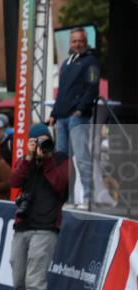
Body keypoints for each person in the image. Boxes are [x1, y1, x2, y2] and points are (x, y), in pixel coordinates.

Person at [6, 123, 69, 290]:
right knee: (18, 281)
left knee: (35, 282)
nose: (42, 144)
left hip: (46, 227)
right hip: (23, 226)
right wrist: (29, 157)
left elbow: (61, 186)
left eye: (45, 140)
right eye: (36, 141)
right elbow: (13, 182)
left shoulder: (61, 159)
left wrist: (47, 160)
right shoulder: (28, 161)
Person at [48, 28, 100, 207]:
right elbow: (61, 92)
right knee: (63, 161)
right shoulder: (66, 63)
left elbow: (93, 87)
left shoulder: (91, 61)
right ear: (70, 42)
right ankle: (67, 198)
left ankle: (88, 197)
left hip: (77, 117)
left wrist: (80, 110)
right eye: (74, 41)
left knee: (82, 157)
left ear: (86, 42)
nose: (77, 44)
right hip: (61, 118)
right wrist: (54, 114)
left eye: (80, 41)